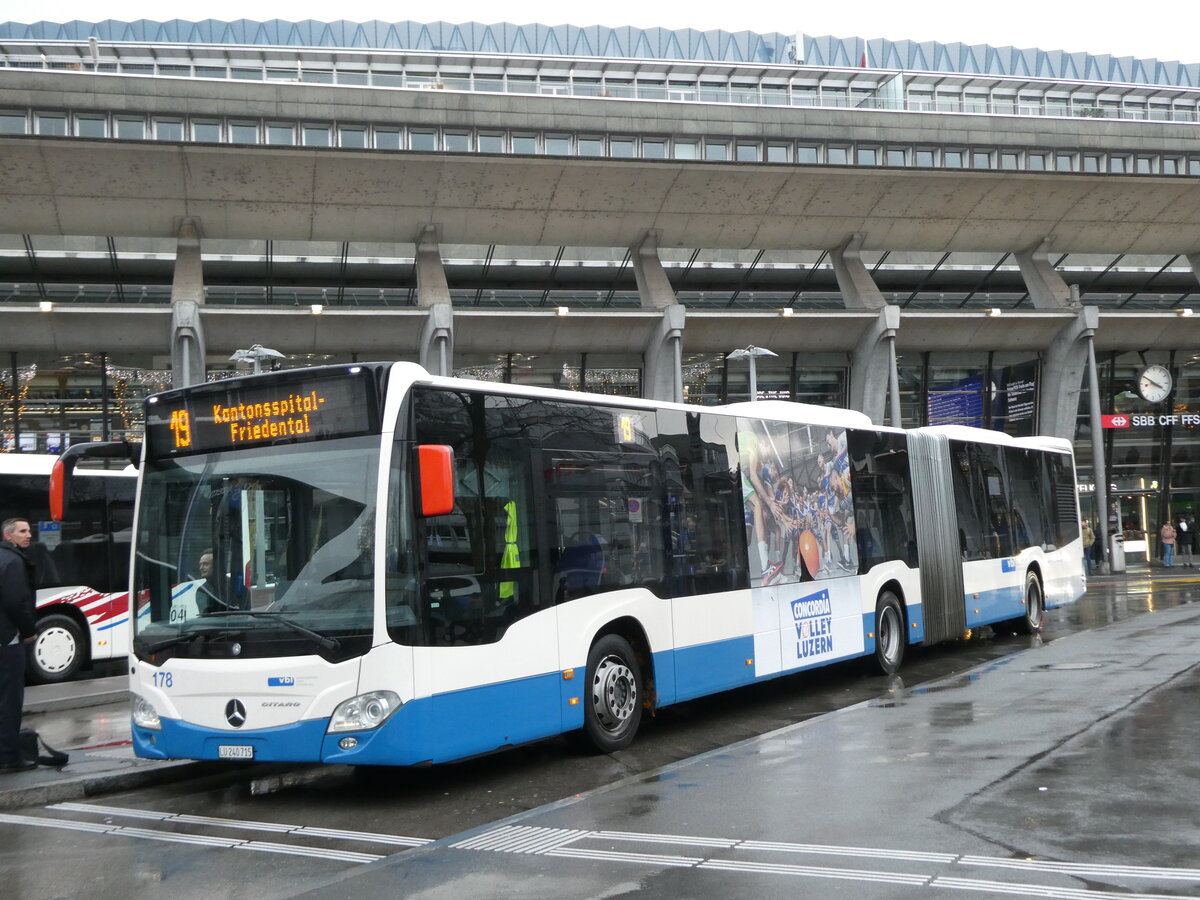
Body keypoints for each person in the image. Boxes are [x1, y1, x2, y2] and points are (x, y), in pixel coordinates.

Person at [0, 518, 38, 773]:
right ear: (8, 536)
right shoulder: (13, 562)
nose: (29, 535)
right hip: (8, 641)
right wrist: (28, 630)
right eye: (22, 531)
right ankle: (9, 757)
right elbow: (15, 602)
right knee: (10, 701)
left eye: (29, 531)